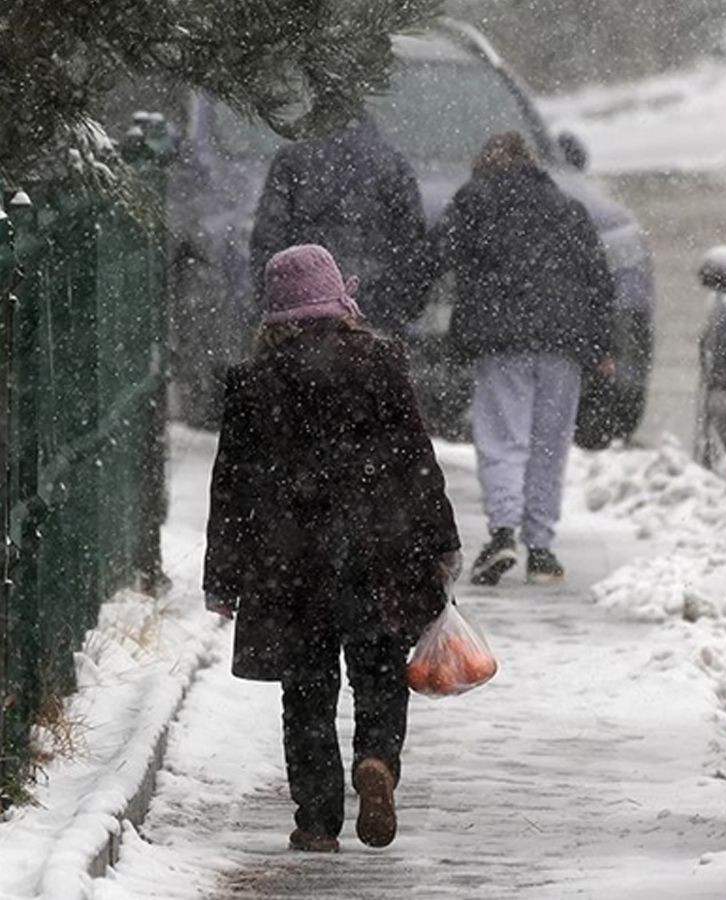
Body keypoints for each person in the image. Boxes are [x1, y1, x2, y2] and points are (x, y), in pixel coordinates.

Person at [203, 244, 461, 853]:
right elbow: (416, 461)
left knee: (307, 689)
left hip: (289, 561)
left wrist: (223, 574)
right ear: (339, 300)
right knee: (378, 672)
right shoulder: (380, 363)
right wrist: (440, 541)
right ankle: (376, 759)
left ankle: (317, 820)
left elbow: (231, 485)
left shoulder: (253, 382)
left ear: (274, 311)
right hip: (377, 551)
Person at [424, 132, 618, 587]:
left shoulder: (475, 200)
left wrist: (402, 304)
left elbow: (435, 256)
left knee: (503, 440)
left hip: (501, 338)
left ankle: (504, 532)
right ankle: (543, 549)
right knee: (549, 445)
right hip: (564, 341)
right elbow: (598, 280)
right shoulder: (567, 207)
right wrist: (604, 344)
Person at [250, 113, 428, 330]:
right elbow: (413, 240)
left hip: (306, 304)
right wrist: (406, 304)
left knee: (312, 360)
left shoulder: (292, 159)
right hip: (377, 301)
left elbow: (268, 235)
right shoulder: (393, 162)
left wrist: (271, 300)